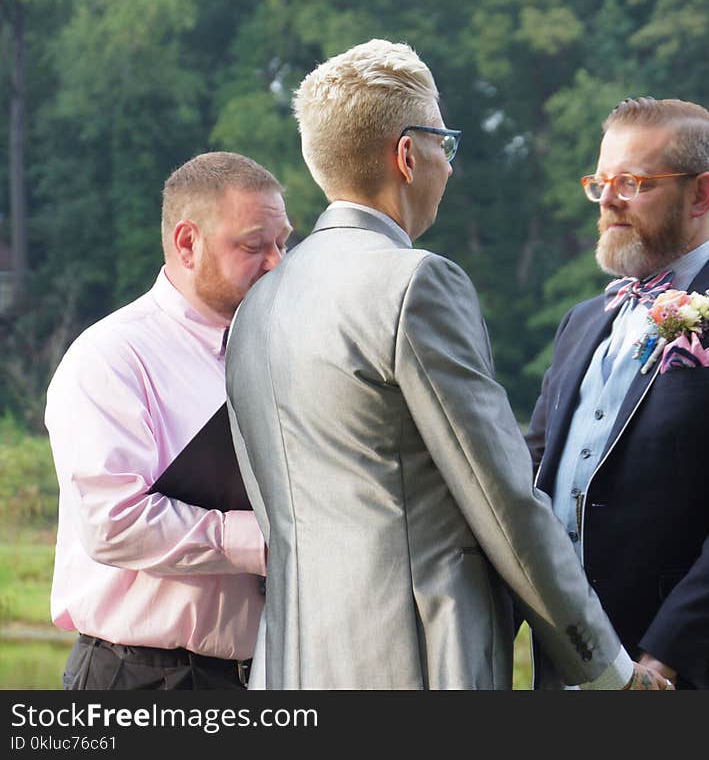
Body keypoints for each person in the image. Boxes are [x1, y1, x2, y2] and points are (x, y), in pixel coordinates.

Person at [225, 39, 668, 690]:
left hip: (290, 664)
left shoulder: (255, 307)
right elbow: (504, 499)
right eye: (445, 145)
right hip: (417, 661)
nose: (450, 167)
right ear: (408, 154)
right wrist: (607, 667)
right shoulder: (414, 285)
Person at [526, 97, 709, 689]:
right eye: (601, 182)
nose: (608, 200)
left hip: (684, 675)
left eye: (632, 182)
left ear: (701, 195)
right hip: (563, 671)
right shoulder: (582, 322)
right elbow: (533, 479)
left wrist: (666, 658)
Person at [46, 151, 292, 690]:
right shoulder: (111, 357)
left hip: (264, 675)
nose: (276, 263)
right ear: (187, 243)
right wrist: (261, 540)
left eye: (282, 243)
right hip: (140, 680)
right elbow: (112, 523)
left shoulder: (281, 356)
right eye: (254, 245)